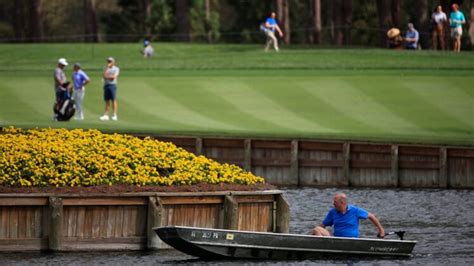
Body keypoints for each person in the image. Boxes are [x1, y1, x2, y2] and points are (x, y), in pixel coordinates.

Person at [312, 193, 385, 238]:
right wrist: (312, 236)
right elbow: (322, 226)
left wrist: (381, 230)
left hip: (352, 239)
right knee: (317, 229)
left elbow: (371, 216)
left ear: (342, 203)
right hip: (336, 240)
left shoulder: (355, 210)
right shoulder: (332, 212)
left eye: (335, 202)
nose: (333, 204)